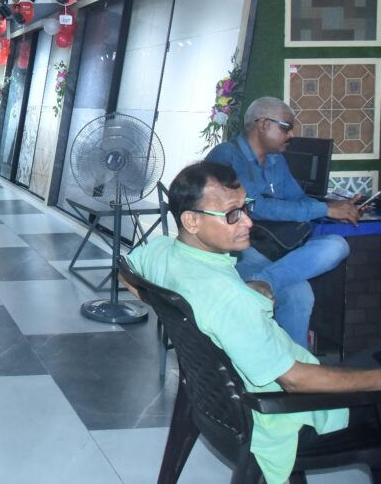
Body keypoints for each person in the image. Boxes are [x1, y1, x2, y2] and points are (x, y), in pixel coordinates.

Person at [126, 162, 381, 484]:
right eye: (232, 214)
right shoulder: (230, 300)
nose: (248, 221)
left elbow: (127, 274)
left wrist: (170, 307)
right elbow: (295, 381)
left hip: (219, 407)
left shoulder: (162, 251)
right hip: (282, 417)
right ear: (191, 221)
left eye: (245, 208)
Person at [206, 96, 362, 349]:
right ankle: (293, 367)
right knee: (300, 294)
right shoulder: (226, 156)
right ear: (263, 124)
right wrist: (325, 209)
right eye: (286, 127)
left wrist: (335, 206)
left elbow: (296, 198)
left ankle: (264, 282)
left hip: (278, 247)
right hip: (241, 250)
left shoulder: (276, 160)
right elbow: (254, 206)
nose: (291, 135)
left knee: (338, 245)